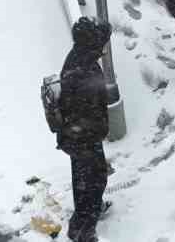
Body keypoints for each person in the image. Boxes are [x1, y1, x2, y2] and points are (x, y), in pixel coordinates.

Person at [58, 17, 111, 242]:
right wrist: (94, 132)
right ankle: (83, 230)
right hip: (82, 136)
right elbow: (85, 107)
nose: (103, 49)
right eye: (101, 43)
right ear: (92, 43)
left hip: (79, 135)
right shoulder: (82, 69)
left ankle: (88, 214)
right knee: (94, 179)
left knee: (84, 179)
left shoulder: (80, 57)